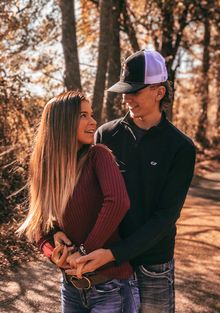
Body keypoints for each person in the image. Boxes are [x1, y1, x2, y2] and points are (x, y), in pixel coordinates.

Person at [66, 50, 196, 313]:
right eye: (125, 90)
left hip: (153, 265)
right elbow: (89, 196)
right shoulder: (106, 134)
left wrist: (115, 252)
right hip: (108, 268)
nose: (126, 98)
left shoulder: (181, 147)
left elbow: (166, 216)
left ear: (159, 92)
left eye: (135, 91)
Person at [17, 91, 140, 313]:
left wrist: (83, 251)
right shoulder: (46, 170)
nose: (93, 121)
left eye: (91, 114)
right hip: (71, 289)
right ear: (62, 122)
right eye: (83, 115)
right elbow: (37, 226)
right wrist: (54, 253)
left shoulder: (98, 156)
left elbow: (118, 202)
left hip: (112, 287)